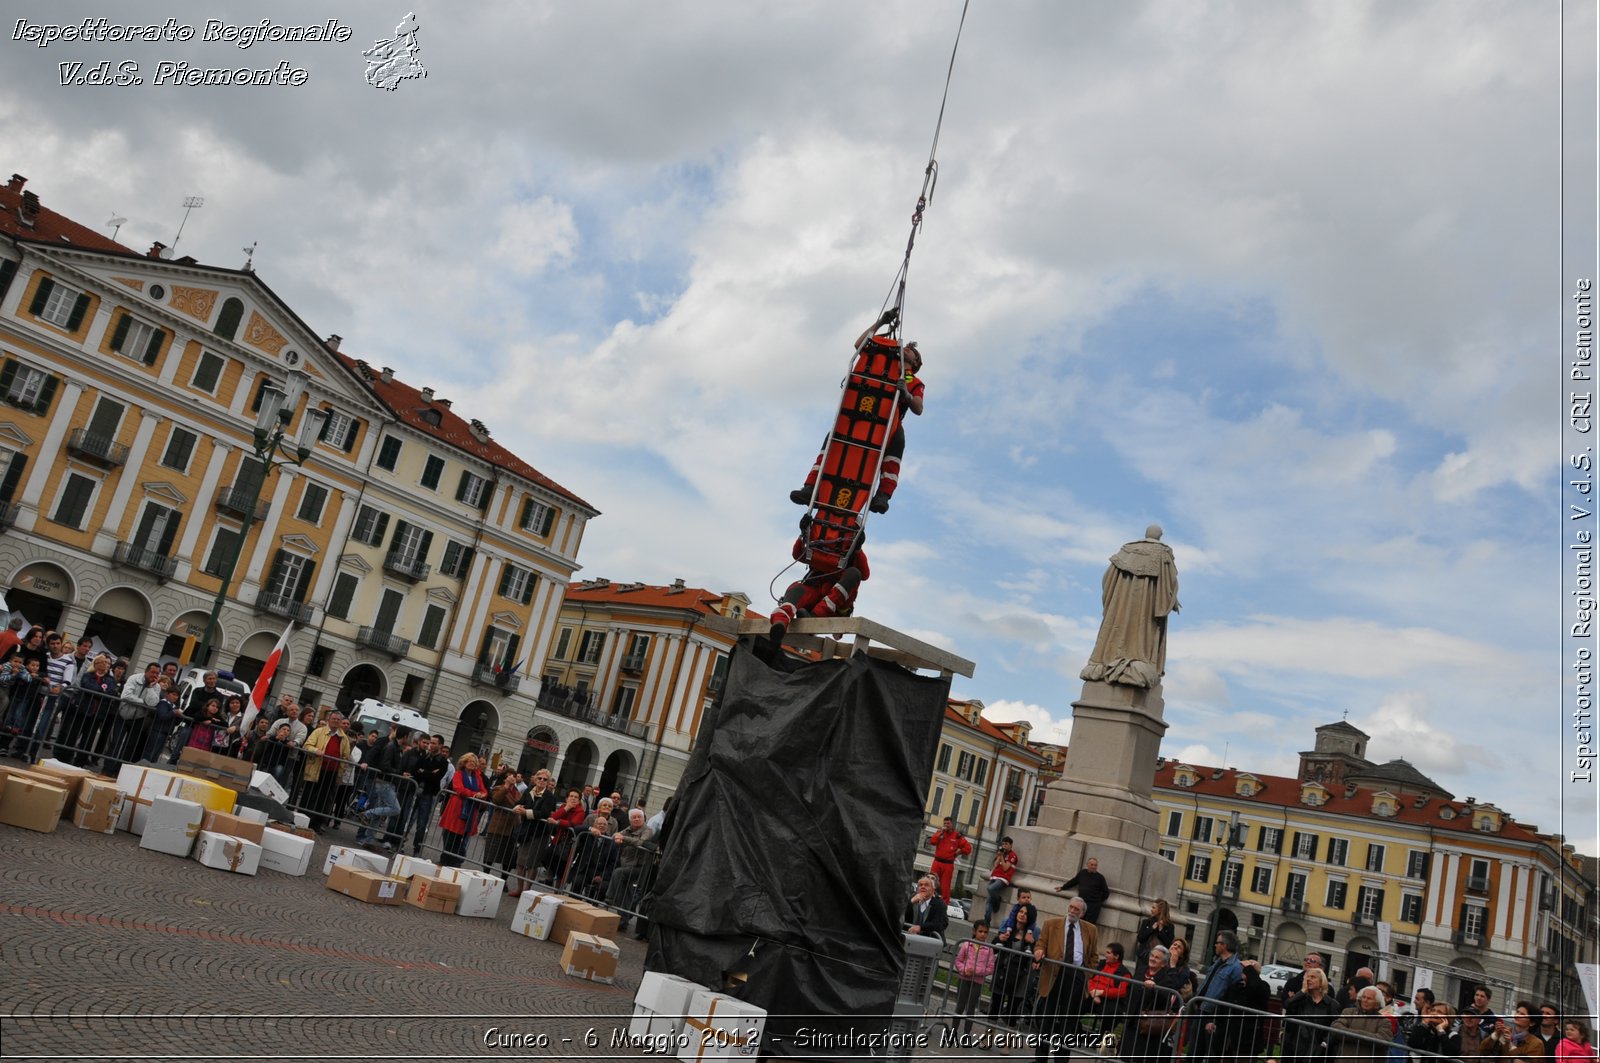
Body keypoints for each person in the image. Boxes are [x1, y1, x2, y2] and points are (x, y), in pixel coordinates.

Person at [789, 307, 926, 514]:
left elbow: (918, 408)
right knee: (830, 443)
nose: (906, 348)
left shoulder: (913, 381)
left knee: (895, 451)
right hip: (860, 411)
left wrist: (905, 393)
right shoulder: (880, 365)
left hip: (891, 421)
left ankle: (882, 496)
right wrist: (881, 322)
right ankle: (811, 488)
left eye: (911, 351)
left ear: (915, 363)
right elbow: (859, 344)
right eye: (905, 347)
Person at [1079, 526, 1180, 689]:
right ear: (1159, 536)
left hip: (1121, 602)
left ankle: (1107, 660)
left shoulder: (1126, 550)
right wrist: (1170, 599)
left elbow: (1108, 577)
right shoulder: (1163, 553)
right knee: (1142, 629)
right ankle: (1136, 661)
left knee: (1116, 626)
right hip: (1146, 606)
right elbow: (1170, 581)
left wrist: (1114, 598)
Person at [765, 524, 869, 651]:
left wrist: (858, 548)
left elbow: (864, 574)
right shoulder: (821, 544)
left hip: (835, 603)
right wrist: (804, 533)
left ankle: (813, 616)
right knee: (797, 589)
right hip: (815, 590)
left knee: (854, 574)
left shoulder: (853, 554)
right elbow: (798, 554)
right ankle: (780, 623)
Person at [1032, 896, 1099, 1061]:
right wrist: (1039, 952)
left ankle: (1061, 1059)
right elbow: (1040, 944)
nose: (1072, 911)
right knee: (1046, 1018)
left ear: (1082, 913)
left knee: (1068, 1022)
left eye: (1076, 909)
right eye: (1071, 907)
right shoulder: (1051, 924)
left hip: (1076, 976)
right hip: (1054, 973)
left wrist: (1086, 974)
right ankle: (1041, 1058)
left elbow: (1094, 956)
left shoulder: (1090, 930)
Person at [1191, 930, 1244, 1063]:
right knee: (1194, 1052)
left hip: (1214, 1014)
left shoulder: (1235, 967)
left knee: (1211, 1054)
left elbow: (1232, 994)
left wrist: (1215, 1017)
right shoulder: (1218, 961)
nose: (1215, 945)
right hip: (1202, 1009)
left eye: (1217, 942)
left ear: (1224, 945)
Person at [989, 905, 1039, 1028]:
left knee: (1012, 1011)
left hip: (1020, 976)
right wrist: (999, 939)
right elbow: (993, 949)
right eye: (1020, 911)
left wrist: (1032, 943)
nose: (1022, 915)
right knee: (995, 1006)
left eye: (1026, 913)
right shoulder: (1007, 930)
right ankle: (987, 1037)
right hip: (1002, 973)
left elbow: (1037, 956)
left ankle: (1008, 1041)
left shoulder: (1031, 936)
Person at [607, 807, 655, 931]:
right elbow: (615, 835)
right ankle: (623, 921)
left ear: (643, 818)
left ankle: (610, 897)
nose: (637, 819)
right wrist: (617, 836)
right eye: (634, 817)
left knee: (618, 873)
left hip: (639, 867)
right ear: (630, 820)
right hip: (626, 865)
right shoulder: (628, 829)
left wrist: (623, 838)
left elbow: (641, 842)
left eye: (639, 817)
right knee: (626, 893)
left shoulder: (647, 830)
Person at [438, 752, 489, 868]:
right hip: (457, 809)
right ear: (464, 762)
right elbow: (459, 789)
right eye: (469, 761)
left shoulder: (477, 777)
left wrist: (481, 795)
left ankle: (453, 862)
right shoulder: (458, 774)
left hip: (470, 811)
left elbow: (484, 791)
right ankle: (445, 861)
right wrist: (475, 795)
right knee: (451, 836)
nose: (472, 763)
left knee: (460, 838)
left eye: (474, 762)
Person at [1284, 967, 1344, 1063]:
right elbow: (1287, 1005)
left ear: (1321, 981)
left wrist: (1324, 1045)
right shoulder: (1302, 999)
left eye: (1313, 977)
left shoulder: (1332, 1004)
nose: (1308, 979)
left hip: (1319, 1051)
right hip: (1297, 1048)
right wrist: (1302, 991)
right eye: (1307, 977)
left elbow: (1335, 1028)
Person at [952, 922, 997, 1039]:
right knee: (960, 1006)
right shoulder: (967, 945)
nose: (983, 934)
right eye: (980, 931)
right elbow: (958, 961)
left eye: (985, 932)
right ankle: (953, 1031)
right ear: (974, 931)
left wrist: (976, 971)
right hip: (964, 979)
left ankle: (966, 1034)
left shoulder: (989, 949)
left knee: (971, 1008)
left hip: (977, 982)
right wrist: (964, 970)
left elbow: (990, 968)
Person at [1331, 986, 1395, 1062]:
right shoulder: (1348, 1012)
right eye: (1364, 997)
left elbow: (1384, 1040)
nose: (1365, 1000)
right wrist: (1365, 1037)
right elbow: (1336, 1028)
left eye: (1369, 998)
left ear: (1377, 1003)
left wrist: (1351, 1034)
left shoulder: (1384, 1021)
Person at [1085, 942, 1132, 1040]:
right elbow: (1090, 978)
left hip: (1111, 1001)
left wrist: (1102, 992)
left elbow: (1121, 991)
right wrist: (1093, 992)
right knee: (1076, 1001)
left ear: (1116, 956)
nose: (1105, 955)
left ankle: (1101, 1038)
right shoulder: (1101, 964)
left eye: (1108, 953)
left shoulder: (1124, 973)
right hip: (1094, 995)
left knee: (1111, 1012)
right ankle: (1074, 1030)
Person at [925, 817, 972, 903]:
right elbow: (932, 841)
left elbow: (968, 848)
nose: (946, 825)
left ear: (952, 824)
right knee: (931, 881)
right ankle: (928, 900)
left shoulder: (957, 836)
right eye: (945, 823)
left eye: (948, 823)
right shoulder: (940, 833)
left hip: (948, 864)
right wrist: (940, 833)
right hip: (937, 862)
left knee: (945, 886)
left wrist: (959, 852)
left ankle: (944, 905)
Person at [1483, 1003, 1549, 1059]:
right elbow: (1483, 1051)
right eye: (1517, 1012)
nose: (1517, 1015)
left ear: (1532, 1023)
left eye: (1523, 1014)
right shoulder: (1504, 1031)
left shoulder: (1536, 1044)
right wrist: (1495, 1035)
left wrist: (1510, 1045)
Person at [1056, 856, 1111, 923]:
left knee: (1088, 926)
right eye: (1092, 865)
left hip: (1093, 908)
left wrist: (1097, 901)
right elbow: (1074, 881)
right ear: (1087, 865)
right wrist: (1062, 887)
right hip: (1081, 905)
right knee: (1077, 924)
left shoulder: (1100, 878)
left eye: (1095, 865)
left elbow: (1106, 893)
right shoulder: (1082, 873)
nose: (1094, 867)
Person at [985, 835, 1020, 924]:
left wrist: (1001, 858)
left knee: (990, 889)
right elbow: (995, 865)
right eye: (1003, 844)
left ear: (1011, 845)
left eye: (1006, 844)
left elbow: (1005, 868)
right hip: (994, 876)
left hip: (1003, 878)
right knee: (989, 900)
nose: (1004, 846)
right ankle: (987, 920)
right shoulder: (1001, 853)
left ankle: (997, 899)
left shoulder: (1013, 855)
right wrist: (999, 856)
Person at [1134, 899, 1175, 974]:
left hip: (1159, 960)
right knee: (1139, 977)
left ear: (1160, 910)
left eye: (1153, 908)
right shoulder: (1146, 922)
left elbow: (1169, 944)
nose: (1151, 910)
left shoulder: (1169, 926)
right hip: (1144, 957)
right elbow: (1140, 938)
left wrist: (1161, 931)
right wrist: (1151, 929)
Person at [903, 874, 948, 940]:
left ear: (933, 889)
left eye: (926, 885)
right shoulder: (911, 899)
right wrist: (911, 902)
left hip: (930, 940)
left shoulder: (940, 904)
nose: (923, 887)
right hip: (910, 938)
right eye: (920, 885)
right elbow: (900, 915)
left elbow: (937, 923)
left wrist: (920, 927)